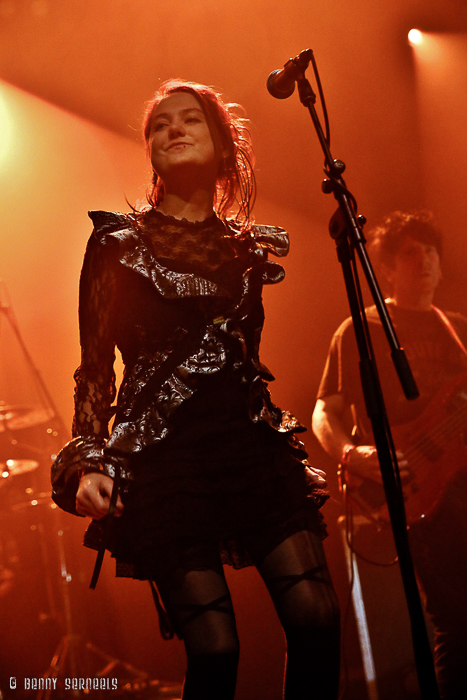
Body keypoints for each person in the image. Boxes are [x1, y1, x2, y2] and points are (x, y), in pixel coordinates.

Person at [51, 79, 341, 700]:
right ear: (151, 152)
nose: (172, 130)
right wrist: (89, 458)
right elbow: (95, 367)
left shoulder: (247, 252)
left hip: (250, 454)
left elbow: (245, 361)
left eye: (190, 121)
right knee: (216, 651)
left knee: (317, 619)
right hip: (165, 465)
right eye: (160, 125)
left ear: (224, 149)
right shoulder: (115, 246)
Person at [312, 210, 467, 700]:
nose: (425, 260)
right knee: (457, 620)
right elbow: (323, 410)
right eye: (410, 253)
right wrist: (352, 454)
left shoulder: (458, 330)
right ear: (388, 270)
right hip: (415, 489)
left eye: (431, 252)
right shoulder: (361, 328)